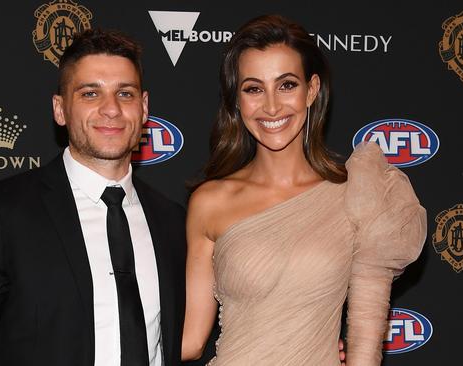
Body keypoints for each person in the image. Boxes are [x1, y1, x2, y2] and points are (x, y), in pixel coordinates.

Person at [0, 29, 186, 366]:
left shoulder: (172, 221)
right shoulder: (2, 212)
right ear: (60, 109)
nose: (111, 109)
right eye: (90, 93)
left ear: (144, 107)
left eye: (125, 94)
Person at [182, 15, 426, 365]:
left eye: (286, 85)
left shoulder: (357, 192)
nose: (271, 106)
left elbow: (365, 345)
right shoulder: (209, 202)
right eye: (253, 88)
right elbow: (190, 341)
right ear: (236, 100)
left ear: (312, 90)